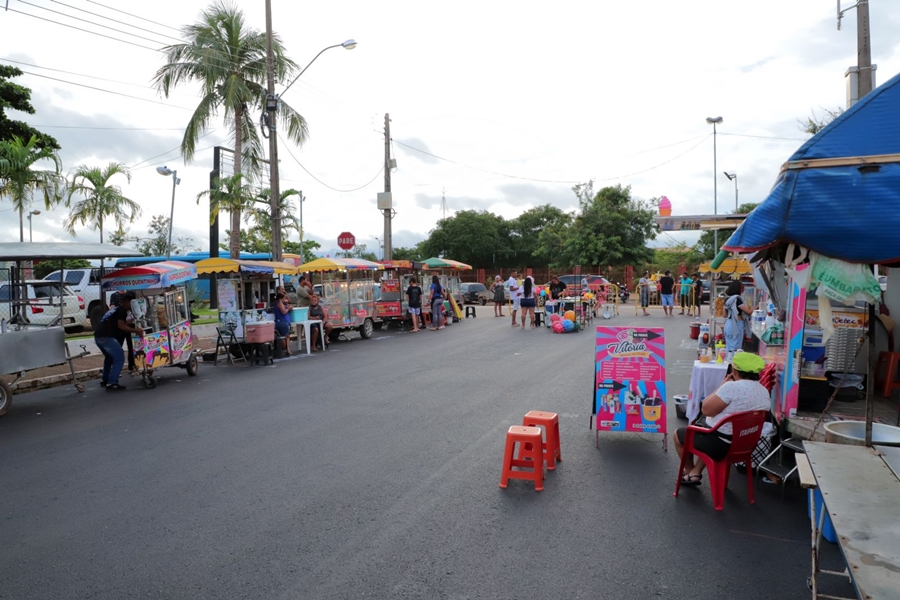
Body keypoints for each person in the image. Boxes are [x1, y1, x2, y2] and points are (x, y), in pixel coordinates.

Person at [674, 352, 771, 485]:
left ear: (735, 371)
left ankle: (690, 472)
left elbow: (706, 410)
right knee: (708, 430)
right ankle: (695, 472)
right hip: (746, 445)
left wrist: (722, 385)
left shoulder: (731, 387)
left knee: (679, 435)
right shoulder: (764, 391)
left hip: (721, 445)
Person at [94, 291, 144, 391]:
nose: (133, 305)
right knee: (119, 357)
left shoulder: (117, 310)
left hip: (98, 337)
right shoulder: (121, 310)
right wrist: (136, 330)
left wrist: (132, 320)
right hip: (106, 337)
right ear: (126, 302)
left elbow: (121, 322)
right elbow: (121, 326)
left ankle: (105, 379)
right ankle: (112, 382)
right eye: (132, 303)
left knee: (109, 357)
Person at [724, 280, 752, 352]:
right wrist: (758, 307)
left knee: (729, 348)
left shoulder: (727, 299)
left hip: (728, 324)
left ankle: (728, 362)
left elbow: (724, 315)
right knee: (736, 348)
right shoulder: (737, 299)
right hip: (736, 325)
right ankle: (732, 363)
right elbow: (748, 312)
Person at [273, 291, 292, 356]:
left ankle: (285, 348)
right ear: (281, 298)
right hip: (282, 322)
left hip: (279, 321)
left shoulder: (278, 303)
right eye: (284, 298)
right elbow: (283, 312)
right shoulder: (279, 304)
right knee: (287, 336)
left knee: (284, 336)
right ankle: (288, 349)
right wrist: (288, 309)